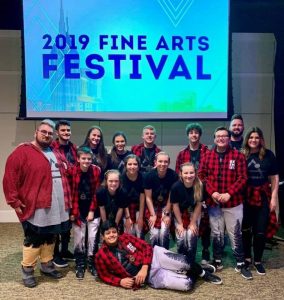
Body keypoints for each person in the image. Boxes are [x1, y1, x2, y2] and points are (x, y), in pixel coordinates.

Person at [3, 119, 71, 288]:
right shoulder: (22, 152)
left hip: (56, 204)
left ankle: (47, 266)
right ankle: (27, 271)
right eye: (43, 132)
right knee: (34, 238)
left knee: (50, 236)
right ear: (36, 133)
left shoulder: (55, 151)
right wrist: (14, 201)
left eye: (49, 133)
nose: (47, 135)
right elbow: (10, 177)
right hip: (36, 205)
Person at [95, 220, 222, 291]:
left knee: (184, 262)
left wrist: (145, 266)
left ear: (117, 232)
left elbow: (146, 247)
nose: (112, 235)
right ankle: (194, 271)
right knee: (186, 285)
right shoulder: (100, 256)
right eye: (108, 233)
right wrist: (120, 281)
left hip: (155, 257)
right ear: (102, 236)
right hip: (149, 276)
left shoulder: (126, 238)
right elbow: (104, 275)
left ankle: (203, 273)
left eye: (114, 232)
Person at [198, 126, 252, 280]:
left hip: (233, 202)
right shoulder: (207, 156)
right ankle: (217, 260)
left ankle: (240, 263)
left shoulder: (238, 156)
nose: (221, 138)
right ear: (214, 139)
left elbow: (242, 178)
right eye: (218, 136)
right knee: (216, 233)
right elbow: (202, 175)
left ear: (229, 138)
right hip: (214, 203)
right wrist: (213, 192)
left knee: (235, 233)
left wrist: (229, 193)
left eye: (224, 136)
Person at [242, 127, 279, 275]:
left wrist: (274, 198)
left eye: (256, 137)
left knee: (260, 231)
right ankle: (246, 258)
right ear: (247, 139)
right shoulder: (241, 155)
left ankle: (257, 260)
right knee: (245, 230)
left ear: (261, 139)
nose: (253, 140)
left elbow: (274, 177)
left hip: (263, 197)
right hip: (244, 197)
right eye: (251, 137)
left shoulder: (268, 155)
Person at [175, 123, 211, 265]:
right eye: (191, 132)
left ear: (200, 135)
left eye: (196, 132)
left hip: (203, 192)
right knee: (188, 224)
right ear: (188, 135)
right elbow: (179, 174)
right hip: (186, 193)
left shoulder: (207, 152)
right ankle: (185, 253)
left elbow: (210, 174)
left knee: (205, 224)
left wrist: (200, 185)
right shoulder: (182, 154)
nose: (194, 135)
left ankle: (206, 251)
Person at [69, 147, 101, 279]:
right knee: (79, 238)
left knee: (92, 238)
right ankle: (80, 264)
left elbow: (96, 193)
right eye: (83, 158)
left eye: (89, 158)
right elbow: (71, 193)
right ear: (78, 159)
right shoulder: (72, 171)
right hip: (77, 209)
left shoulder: (96, 170)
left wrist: (92, 211)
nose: (86, 161)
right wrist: (72, 212)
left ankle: (91, 262)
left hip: (93, 208)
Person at [51, 119, 77, 267]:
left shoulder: (73, 148)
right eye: (63, 131)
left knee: (67, 223)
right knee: (56, 223)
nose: (66, 133)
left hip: (71, 190)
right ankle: (55, 254)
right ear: (57, 132)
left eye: (68, 130)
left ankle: (65, 250)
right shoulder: (51, 148)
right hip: (58, 190)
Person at [144, 152, 178, 249]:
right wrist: (153, 214)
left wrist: (167, 213)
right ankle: (154, 257)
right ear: (155, 162)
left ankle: (164, 255)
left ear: (169, 163)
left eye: (165, 162)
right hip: (153, 206)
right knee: (154, 234)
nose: (163, 164)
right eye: (160, 161)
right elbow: (148, 198)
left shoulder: (173, 176)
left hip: (166, 205)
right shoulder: (148, 176)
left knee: (163, 232)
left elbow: (172, 196)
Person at [121, 154, 145, 238]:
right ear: (125, 165)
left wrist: (141, 217)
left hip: (139, 208)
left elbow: (142, 198)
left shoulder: (143, 177)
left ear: (138, 166)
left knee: (139, 231)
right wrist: (127, 218)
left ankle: (140, 250)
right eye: (129, 164)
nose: (132, 166)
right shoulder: (121, 178)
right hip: (126, 208)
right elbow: (123, 199)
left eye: (135, 164)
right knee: (128, 233)